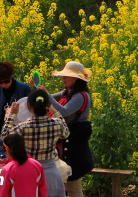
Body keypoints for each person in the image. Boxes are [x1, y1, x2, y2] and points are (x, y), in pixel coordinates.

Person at [1, 90, 69, 197]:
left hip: (31, 174)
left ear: (29, 106)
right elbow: (66, 133)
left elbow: (4, 135)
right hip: (52, 173)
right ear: (47, 104)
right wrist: (56, 112)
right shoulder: (57, 123)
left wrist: (12, 114)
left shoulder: (24, 126)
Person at [45, 61, 94, 197]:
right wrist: (39, 90)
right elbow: (53, 98)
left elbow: (63, 111)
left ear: (76, 79)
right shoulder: (68, 92)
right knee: (65, 187)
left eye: (67, 75)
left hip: (75, 148)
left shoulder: (80, 96)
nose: (63, 78)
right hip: (68, 146)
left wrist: (46, 95)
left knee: (74, 189)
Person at [0, 62, 32, 141]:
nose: (3, 85)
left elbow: (29, 114)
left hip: (19, 134)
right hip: (2, 133)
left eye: (6, 81)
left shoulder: (24, 89)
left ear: (11, 76)